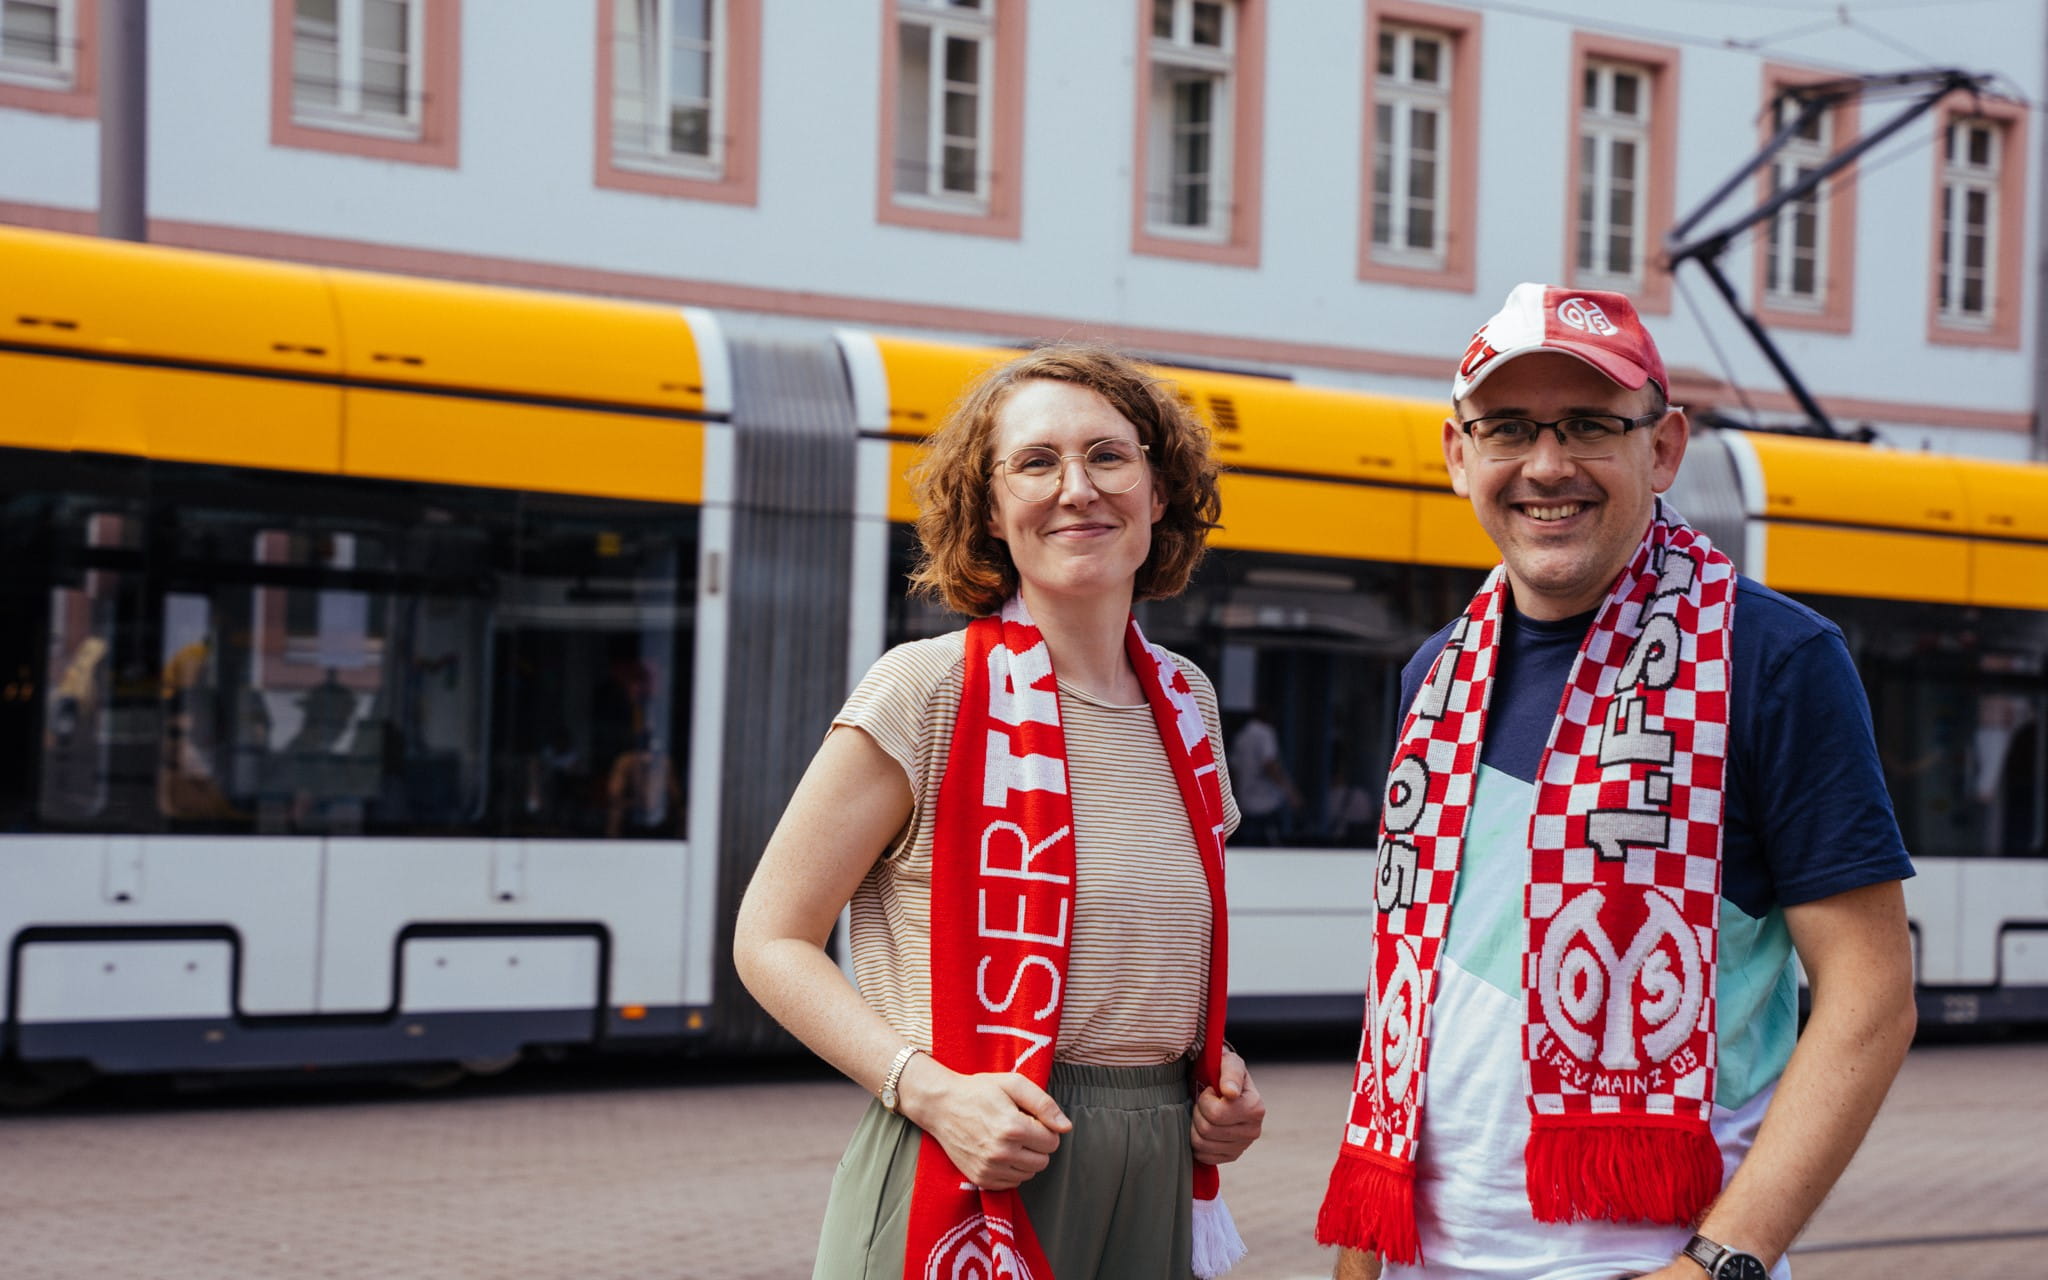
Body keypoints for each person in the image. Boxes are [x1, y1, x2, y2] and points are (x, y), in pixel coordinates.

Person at [1318, 284, 1917, 1280]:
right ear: (1457, 453)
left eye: (1590, 424)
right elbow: (1405, 992)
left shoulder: (1775, 657)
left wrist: (1720, 1259)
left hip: (1643, 1251)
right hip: (1422, 1251)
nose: (1545, 464)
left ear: (1663, 447)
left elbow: (1869, 994)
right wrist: (1359, 1256)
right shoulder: (1434, 674)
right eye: (1507, 427)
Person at [735, 344, 1266, 1280]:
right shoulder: (925, 689)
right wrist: (933, 1094)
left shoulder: (1188, 704)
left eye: (1108, 456)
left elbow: (1149, 946)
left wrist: (1214, 1082)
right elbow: (770, 939)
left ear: (1158, 490)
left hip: (1156, 1171)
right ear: (989, 507)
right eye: (1035, 462)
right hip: (969, 1152)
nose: (1077, 489)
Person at [1230, 702, 1300, 845]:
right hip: (1265, 803)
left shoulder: (1241, 736)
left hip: (1245, 802)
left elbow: (1233, 770)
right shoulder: (1265, 733)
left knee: (1249, 848)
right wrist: (1290, 791)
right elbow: (1269, 765)